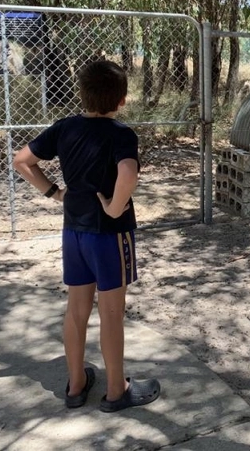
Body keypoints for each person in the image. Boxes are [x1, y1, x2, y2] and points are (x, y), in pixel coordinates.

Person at [13, 59, 160, 412]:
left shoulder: (64, 128)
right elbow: (128, 172)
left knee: (76, 310)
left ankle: (76, 385)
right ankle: (115, 390)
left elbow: (22, 161)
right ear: (122, 100)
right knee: (111, 313)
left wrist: (54, 193)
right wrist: (114, 207)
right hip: (110, 236)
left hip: (74, 233)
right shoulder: (122, 134)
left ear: (82, 96)